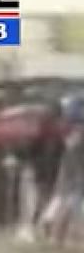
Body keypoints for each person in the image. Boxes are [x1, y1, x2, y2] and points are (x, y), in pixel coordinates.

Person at [40, 96, 84, 245]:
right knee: (69, 204)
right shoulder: (75, 133)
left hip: (71, 175)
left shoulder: (69, 131)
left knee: (69, 204)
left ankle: (58, 235)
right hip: (74, 176)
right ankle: (57, 235)